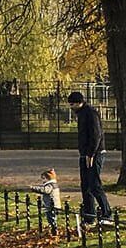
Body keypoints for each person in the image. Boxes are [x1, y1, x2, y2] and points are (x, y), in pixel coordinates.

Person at [68, 91, 111, 225]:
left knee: (94, 185)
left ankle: (106, 214)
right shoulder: (82, 114)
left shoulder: (90, 113)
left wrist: (91, 153)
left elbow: (96, 135)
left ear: (79, 102)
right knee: (85, 186)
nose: (71, 107)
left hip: (94, 153)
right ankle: (89, 216)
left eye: (73, 104)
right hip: (85, 153)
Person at [30, 168, 61, 235]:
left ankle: (54, 229)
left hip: (51, 205)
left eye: (43, 179)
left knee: (51, 218)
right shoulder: (54, 184)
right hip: (53, 205)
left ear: (48, 178)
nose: (42, 181)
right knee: (51, 217)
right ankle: (53, 228)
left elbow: (45, 190)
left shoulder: (50, 185)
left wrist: (34, 188)